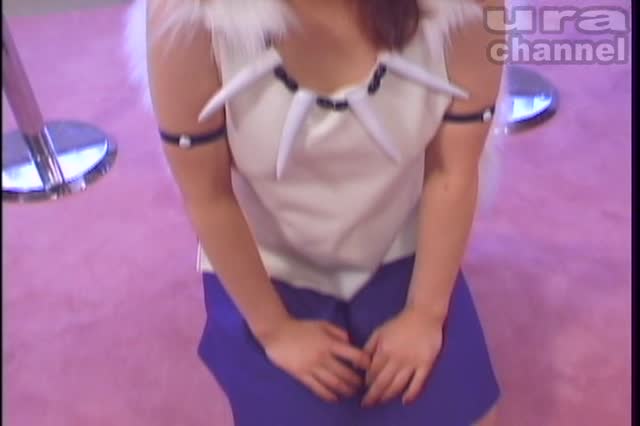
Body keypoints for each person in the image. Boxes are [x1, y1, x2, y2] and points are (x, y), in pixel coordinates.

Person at [130, 0, 505, 424]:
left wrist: (426, 314)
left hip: (403, 246)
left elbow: (453, 171)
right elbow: (208, 195)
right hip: (266, 264)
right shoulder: (187, 16)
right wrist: (275, 330)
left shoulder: (470, 6)